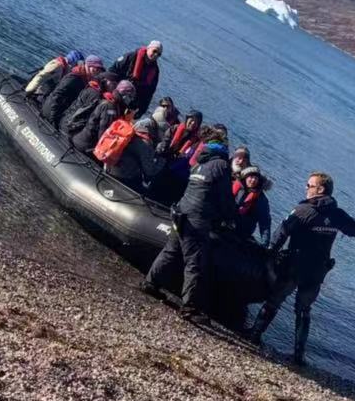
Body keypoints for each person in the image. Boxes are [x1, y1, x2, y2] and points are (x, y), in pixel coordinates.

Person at [249, 172, 355, 363]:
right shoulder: (337, 215)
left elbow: (280, 234)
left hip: (294, 268)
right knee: (303, 310)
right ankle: (299, 354)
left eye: (309, 185)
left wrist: (267, 255)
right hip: (316, 272)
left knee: (274, 300)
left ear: (320, 189)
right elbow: (354, 228)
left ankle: (255, 335)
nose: (306, 188)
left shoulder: (303, 211)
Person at [141, 136, 237, 319]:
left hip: (181, 212)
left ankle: (150, 283)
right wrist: (231, 217)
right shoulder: (221, 165)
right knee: (194, 261)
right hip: (197, 219)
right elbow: (225, 197)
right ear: (223, 149)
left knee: (170, 251)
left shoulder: (200, 163)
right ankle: (188, 306)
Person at [72, 79, 137, 155]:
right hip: (87, 145)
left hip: (87, 141)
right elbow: (103, 132)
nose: (131, 100)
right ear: (124, 94)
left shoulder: (116, 105)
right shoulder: (110, 107)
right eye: (130, 96)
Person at [103, 114, 164, 193]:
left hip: (109, 166)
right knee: (145, 188)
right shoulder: (145, 143)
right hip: (122, 175)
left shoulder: (130, 129)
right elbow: (150, 171)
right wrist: (162, 160)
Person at [40, 55, 103, 125]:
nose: (97, 71)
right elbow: (57, 94)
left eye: (99, 69)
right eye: (96, 68)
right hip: (51, 110)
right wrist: (52, 116)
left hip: (59, 111)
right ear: (88, 65)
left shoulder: (84, 79)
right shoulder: (74, 77)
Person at [60, 69, 115, 136]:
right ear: (105, 81)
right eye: (113, 83)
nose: (113, 87)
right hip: (69, 128)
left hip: (64, 120)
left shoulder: (91, 86)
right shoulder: (96, 95)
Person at [111, 41, 163, 113]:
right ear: (148, 48)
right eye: (154, 51)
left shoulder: (155, 71)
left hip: (131, 102)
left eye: (159, 54)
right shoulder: (131, 57)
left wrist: (142, 110)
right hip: (116, 93)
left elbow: (149, 93)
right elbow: (113, 70)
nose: (156, 55)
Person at [233, 166, 272, 243]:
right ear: (245, 177)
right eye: (251, 177)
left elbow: (265, 224)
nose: (253, 180)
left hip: (241, 234)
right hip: (225, 223)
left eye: (256, 178)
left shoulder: (261, 200)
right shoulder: (234, 186)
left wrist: (265, 243)